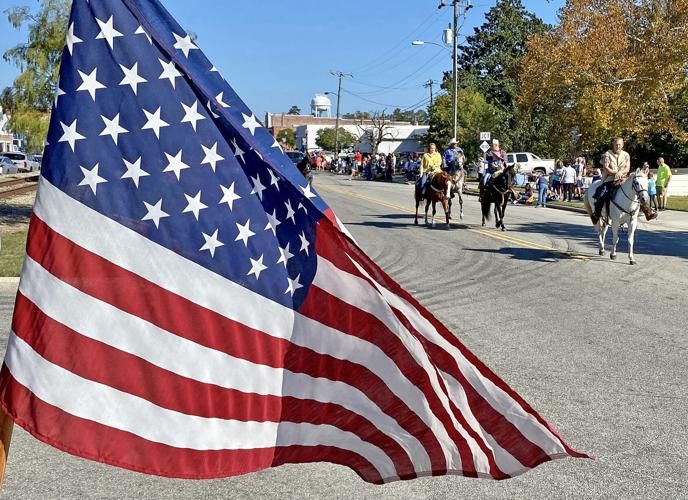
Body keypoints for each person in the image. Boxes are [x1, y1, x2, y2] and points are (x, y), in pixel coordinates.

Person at [593, 137, 656, 223]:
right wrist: (615, 173)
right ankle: (596, 214)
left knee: (639, 191)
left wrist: (621, 173)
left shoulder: (626, 155)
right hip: (610, 178)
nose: (617, 146)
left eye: (619, 145)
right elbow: (606, 168)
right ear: (613, 145)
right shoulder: (607, 154)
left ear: (622, 145)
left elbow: (627, 168)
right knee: (602, 192)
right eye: (616, 144)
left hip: (624, 178)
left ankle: (648, 212)